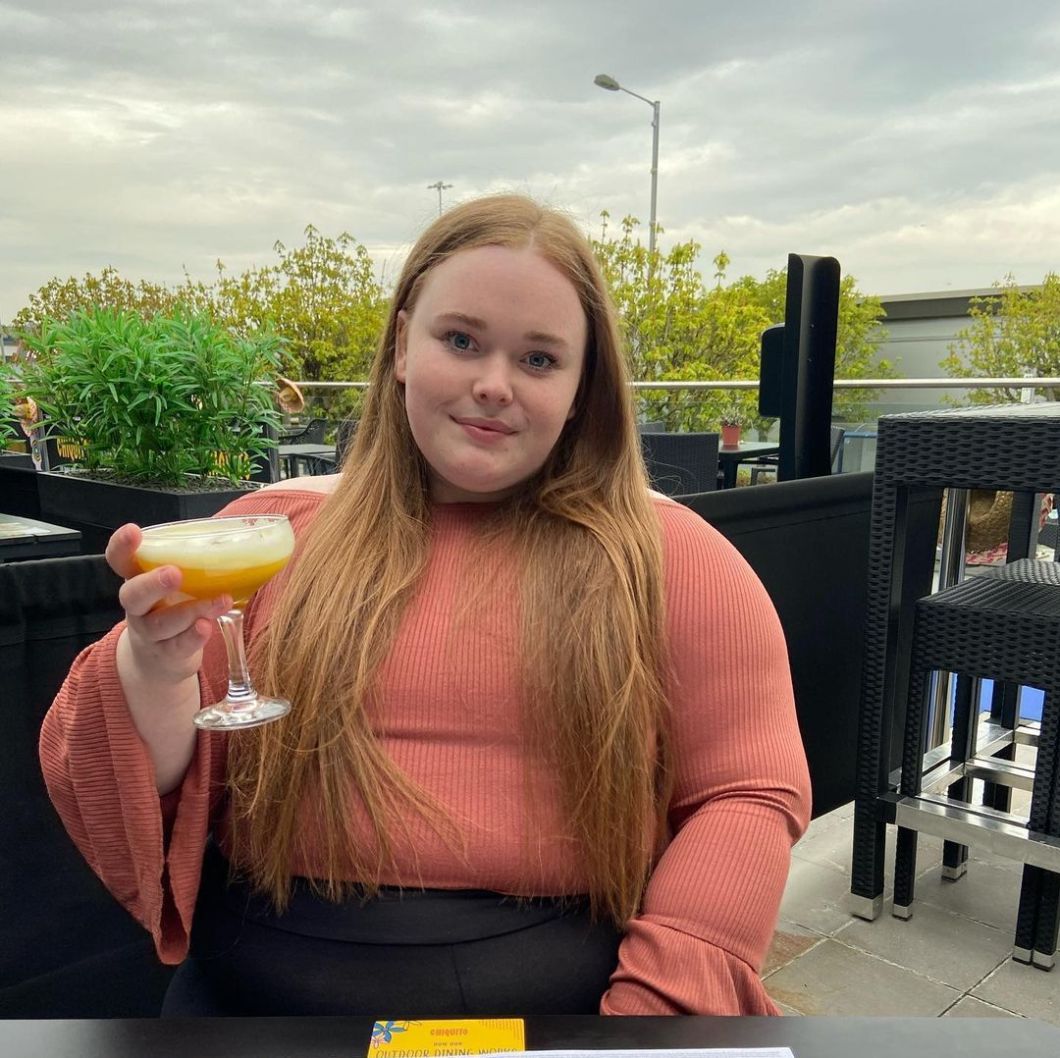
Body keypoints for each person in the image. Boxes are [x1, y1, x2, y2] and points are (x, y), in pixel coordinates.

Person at [40, 195, 811, 1017]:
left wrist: (651, 1017)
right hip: (251, 1015)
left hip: (570, 1019)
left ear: (583, 387)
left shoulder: (675, 559)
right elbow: (133, 776)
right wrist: (155, 666)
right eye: (461, 341)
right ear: (403, 345)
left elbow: (747, 797)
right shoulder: (271, 534)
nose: (493, 385)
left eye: (539, 359)